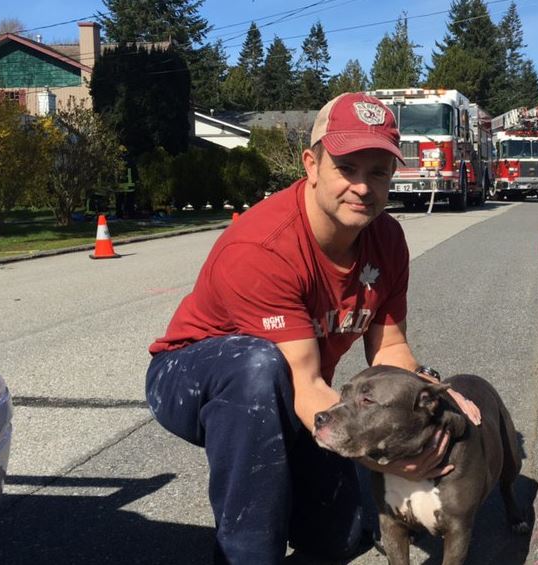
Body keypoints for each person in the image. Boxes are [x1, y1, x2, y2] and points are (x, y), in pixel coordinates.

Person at [145, 92, 480, 565]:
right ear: (312, 164)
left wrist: (435, 401)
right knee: (257, 370)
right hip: (194, 376)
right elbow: (302, 382)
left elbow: (391, 351)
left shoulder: (386, 239)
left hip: (292, 383)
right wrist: (381, 457)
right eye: (347, 168)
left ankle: (301, 506)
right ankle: (245, 553)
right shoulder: (264, 247)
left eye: (378, 172)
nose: (363, 187)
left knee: (341, 540)